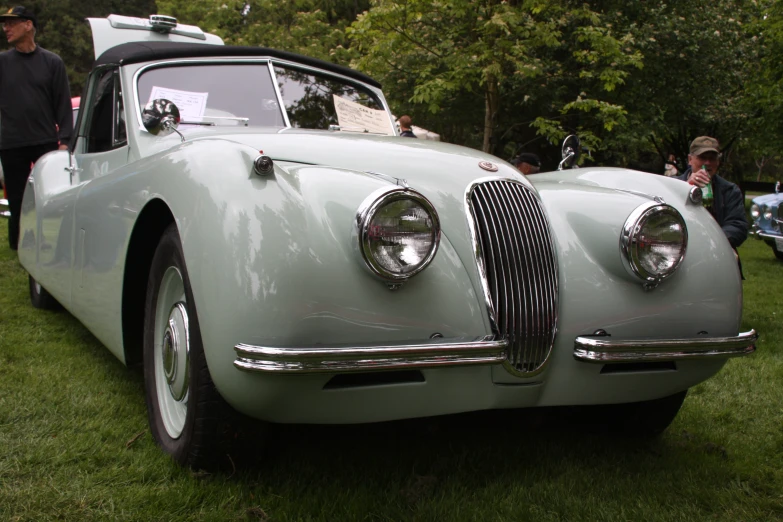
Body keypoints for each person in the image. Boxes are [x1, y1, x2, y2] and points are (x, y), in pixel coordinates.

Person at [0, 6, 72, 250]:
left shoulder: (52, 62)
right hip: (11, 143)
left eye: (11, 23)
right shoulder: (2, 62)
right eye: (4, 24)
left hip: (44, 142)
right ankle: (19, 245)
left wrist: (64, 141)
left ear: (28, 24)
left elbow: (63, 104)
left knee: (48, 197)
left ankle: (48, 243)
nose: (5, 28)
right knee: (18, 199)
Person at [677, 136, 747, 248]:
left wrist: (712, 241)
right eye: (702, 158)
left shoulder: (729, 190)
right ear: (690, 159)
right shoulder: (673, 185)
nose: (707, 163)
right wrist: (686, 187)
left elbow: (738, 227)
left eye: (712, 158)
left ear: (718, 161)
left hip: (716, 249)